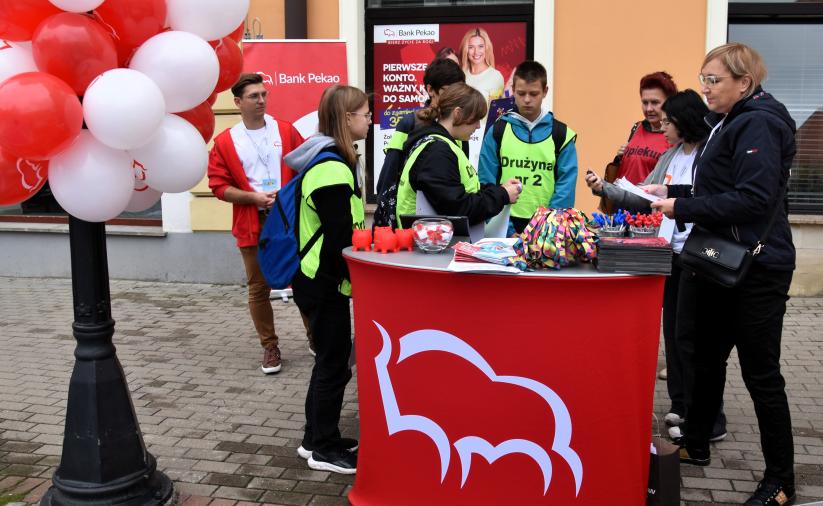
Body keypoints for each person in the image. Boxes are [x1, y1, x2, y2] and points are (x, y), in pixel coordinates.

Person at [649, 43, 797, 505]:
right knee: (706, 358)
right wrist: (670, 191)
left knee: (761, 374)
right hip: (721, 259)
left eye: (714, 80)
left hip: (757, 267)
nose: (706, 89)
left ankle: (781, 481)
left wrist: (683, 206)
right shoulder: (729, 121)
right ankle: (696, 442)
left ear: (744, 83)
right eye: (704, 79)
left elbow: (753, 198)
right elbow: (720, 185)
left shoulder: (758, 123)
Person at [586, 89, 727, 443]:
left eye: (667, 122)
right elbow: (643, 196)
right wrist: (605, 189)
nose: (661, 128)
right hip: (671, 254)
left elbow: (710, 200)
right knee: (676, 334)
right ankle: (681, 404)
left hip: (700, 255)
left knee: (697, 340)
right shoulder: (670, 155)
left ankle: (709, 419)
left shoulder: (709, 154)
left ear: (684, 122)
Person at [283, 85, 369, 474]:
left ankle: (313, 438)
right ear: (347, 118)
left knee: (328, 362)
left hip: (319, 279)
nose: (370, 120)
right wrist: (356, 280)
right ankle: (324, 448)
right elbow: (337, 240)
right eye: (365, 113)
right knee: (334, 365)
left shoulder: (331, 161)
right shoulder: (332, 168)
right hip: (323, 280)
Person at [207, 73, 310, 375]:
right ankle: (270, 346)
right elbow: (218, 186)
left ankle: (314, 336)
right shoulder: (226, 142)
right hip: (254, 222)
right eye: (254, 96)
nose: (261, 100)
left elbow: (306, 169)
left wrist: (289, 195)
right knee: (258, 288)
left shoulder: (285, 130)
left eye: (264, 94)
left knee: (304, 280)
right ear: (238, 102)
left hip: (289, 221)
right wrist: (252, 198)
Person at [394, 82, 521, 226]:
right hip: (427, 239)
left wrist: (501, 190)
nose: (478, 126)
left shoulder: (439, 145)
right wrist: (502, 195)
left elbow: (463, 191)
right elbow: (459, 209)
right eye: (475, 119)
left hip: (430, 238)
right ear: (458, 114)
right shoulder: (437, 152)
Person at [478, 60, 578, 234]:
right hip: (503, 227)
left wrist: (545, 229)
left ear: (545, 91)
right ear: (513, 90)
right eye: (521, 93)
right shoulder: (498, 131)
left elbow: (565, 190)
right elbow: (486, 182)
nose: (527, 100)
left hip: (546, 230)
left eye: (534, 94)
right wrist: (507, 231)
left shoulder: (561, 135)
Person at [374, 58, 467, 228]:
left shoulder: (460, 126)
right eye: (448, 91)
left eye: (458, 92)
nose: (454, 98)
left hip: (450, 217)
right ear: (430, 90)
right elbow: (388, 176)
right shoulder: (409, 123)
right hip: (412, 221)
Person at [613, 72, 678, 185]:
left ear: (670, 102)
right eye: (645, 103)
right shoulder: (637, 127)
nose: (649, 109)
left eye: (655, 102)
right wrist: (620, 158)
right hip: (621, 195)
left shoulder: (675, 136)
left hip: (649, 196)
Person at [459, 27, 505, 102]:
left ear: (487, 48)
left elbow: (495, 109)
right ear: (466, 49)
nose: (476, 52)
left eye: (480, 46)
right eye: (471, 47)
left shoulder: (495, 76)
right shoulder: (460, 74)